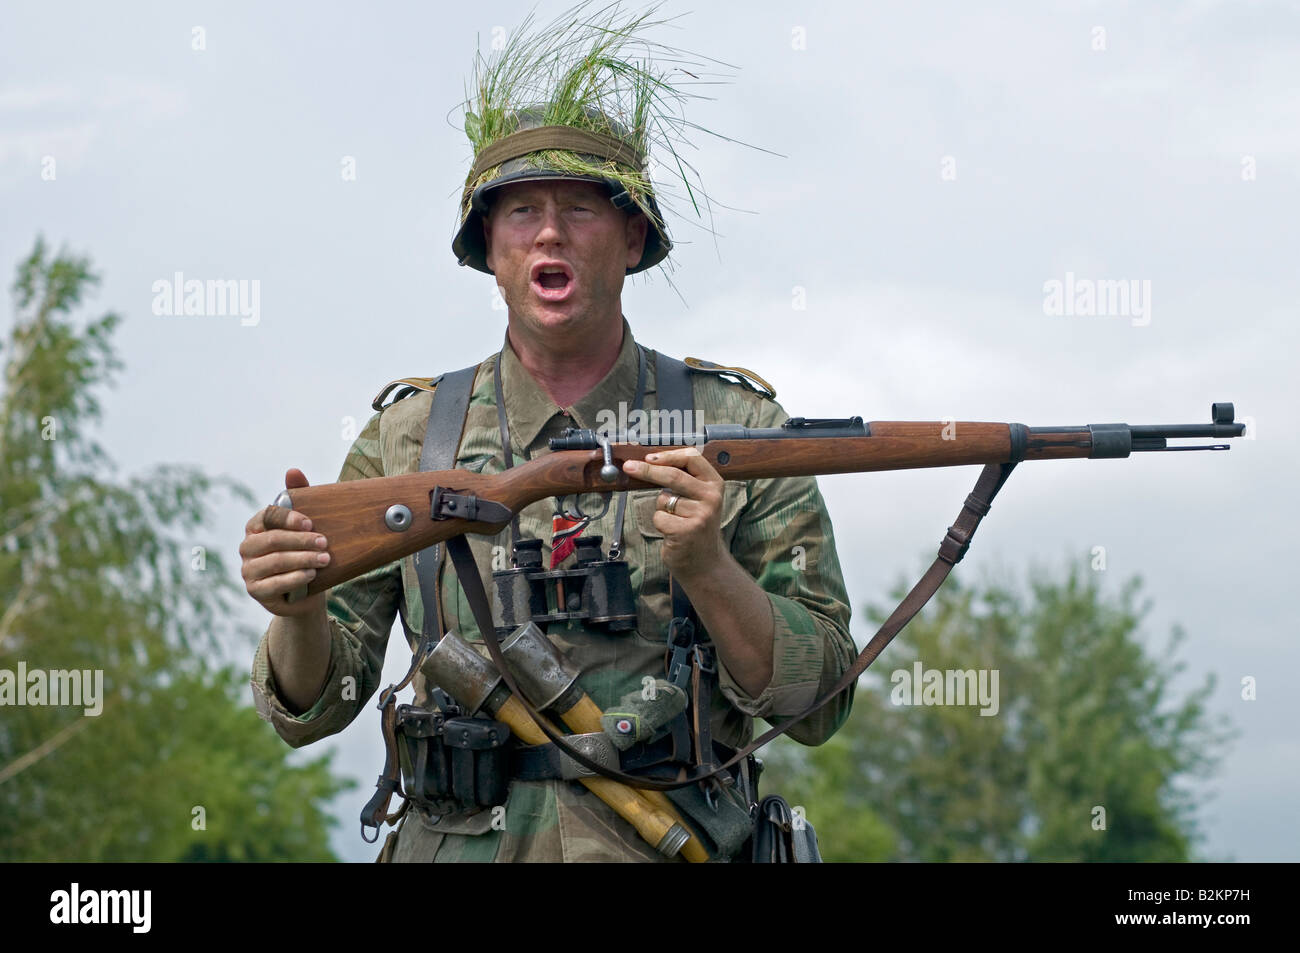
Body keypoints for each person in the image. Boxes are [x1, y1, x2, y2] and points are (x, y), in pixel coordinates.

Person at [240, 15, 857, 862]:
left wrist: (710, 571)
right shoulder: (412, 438)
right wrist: (298, 610)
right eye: (521, 212)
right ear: (489, 250)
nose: (549, 233)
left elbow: (820, 703)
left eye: (580, 209)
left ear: (632, 237)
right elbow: (315, 704)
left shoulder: (737, 429)